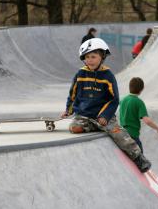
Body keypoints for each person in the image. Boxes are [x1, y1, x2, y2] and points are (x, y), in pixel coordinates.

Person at [61, 38, 151, 173]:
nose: (90, 60)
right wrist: (68, 111)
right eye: (87, 57)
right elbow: (72, 94)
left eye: (93, 57)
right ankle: (94, 126)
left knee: (120, 135)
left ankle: (139, 157)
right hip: (85, 115)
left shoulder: (107, 76)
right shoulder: (80, 74)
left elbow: (114, 99)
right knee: (74, 128)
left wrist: (105, 115)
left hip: (105, 115)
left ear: (102, 56)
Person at [119, 77, 158, 153]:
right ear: (141, 90)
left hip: (122, 135)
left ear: (129, 87)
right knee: (141, 161)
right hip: (133, 137)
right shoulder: (139, 102)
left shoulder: (123, 100)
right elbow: (147, 120)